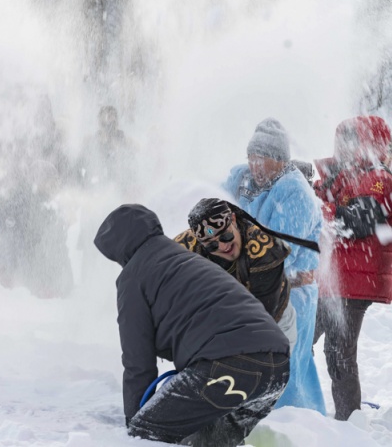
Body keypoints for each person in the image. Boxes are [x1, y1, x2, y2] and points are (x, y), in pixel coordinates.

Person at [95, 204, 289, 446]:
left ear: (116, 249)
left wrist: (136, 423)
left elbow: (138, 363)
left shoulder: (133, 277)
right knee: (208, 440)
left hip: (228, 366)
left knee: (147, 433)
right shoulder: (188, 259)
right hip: (277, 368)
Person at [222, 117, 326, 414]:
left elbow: (277, 255)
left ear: (280, 161)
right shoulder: (241, 180)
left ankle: (296, 427)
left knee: (286, 368)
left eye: (262, 159)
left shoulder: (295, 196)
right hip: (249, 291)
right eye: (251, 157)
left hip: (290, 296)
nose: (254, 165)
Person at [313, 115, 392, 420]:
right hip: (331, 280)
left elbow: (354, 222)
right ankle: (299, 406)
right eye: (341, 140)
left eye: (352, 140)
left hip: (356, 282)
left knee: (339, 355)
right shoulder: (339, 178)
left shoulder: (380, 179)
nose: (344, 147)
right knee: (299, 339)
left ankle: (348, 421)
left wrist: (319, 205)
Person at [0, 96, 73, 298]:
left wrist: (57, 189)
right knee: (10, 248)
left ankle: (48, 288)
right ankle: (8, 285)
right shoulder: (10, 139)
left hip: (41, 207)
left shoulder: (55, 142)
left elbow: (66, 175)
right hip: (12, 205)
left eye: (43, 111)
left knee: (43, 243)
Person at [175, 198, 298, 347]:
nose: (222, 246)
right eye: (212, 245)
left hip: (275, 323)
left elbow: (261, 320)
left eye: (225, 236)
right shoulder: (186, 248)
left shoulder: (263, 249)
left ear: (233, 219)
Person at [76, 105, 132, 275]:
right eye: (105, 116)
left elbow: (132, 168)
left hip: (116, 198)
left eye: (112, 116)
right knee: (91, 241)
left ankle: (113, 280)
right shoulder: (91, 141)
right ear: (99, 120)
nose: (109, 120)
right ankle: (88, 278)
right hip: (94, 196)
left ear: (116, 120)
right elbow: (79, 168)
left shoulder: (123, 141)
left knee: (117, 241)